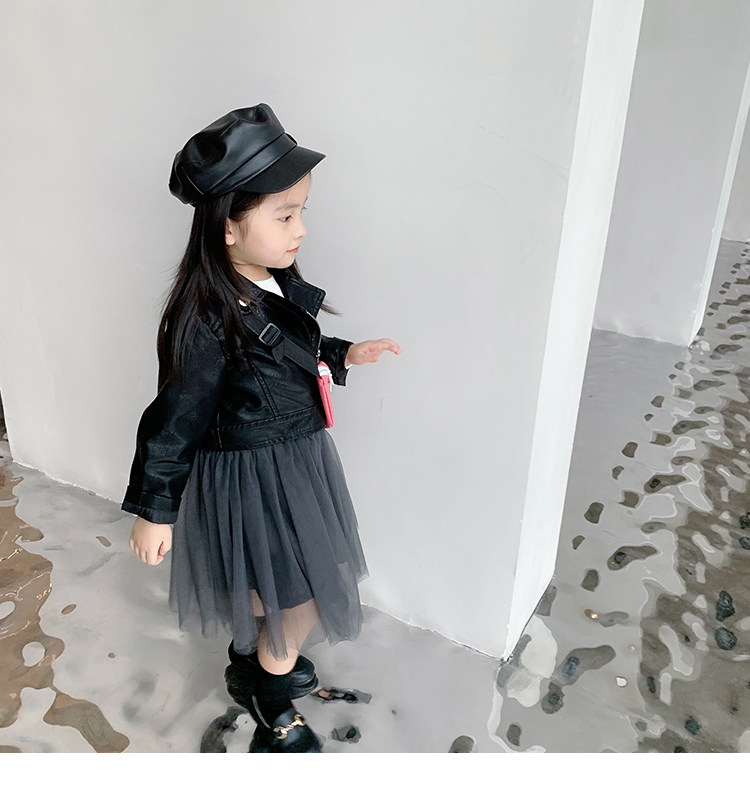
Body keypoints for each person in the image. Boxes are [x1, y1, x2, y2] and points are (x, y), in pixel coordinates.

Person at [121, 104, 401, 752]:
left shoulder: (270, 282)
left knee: (275, 578)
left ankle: (252, 666)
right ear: (227, 226)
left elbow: (291, 349)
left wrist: (342, 353)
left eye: (301, 212)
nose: (301, 229)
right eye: (285, 215)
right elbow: (176, 415)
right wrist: (155, 509)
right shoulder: (205, 316)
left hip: (294, 460)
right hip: (252, 472)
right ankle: (272, 702)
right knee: (296, 592)